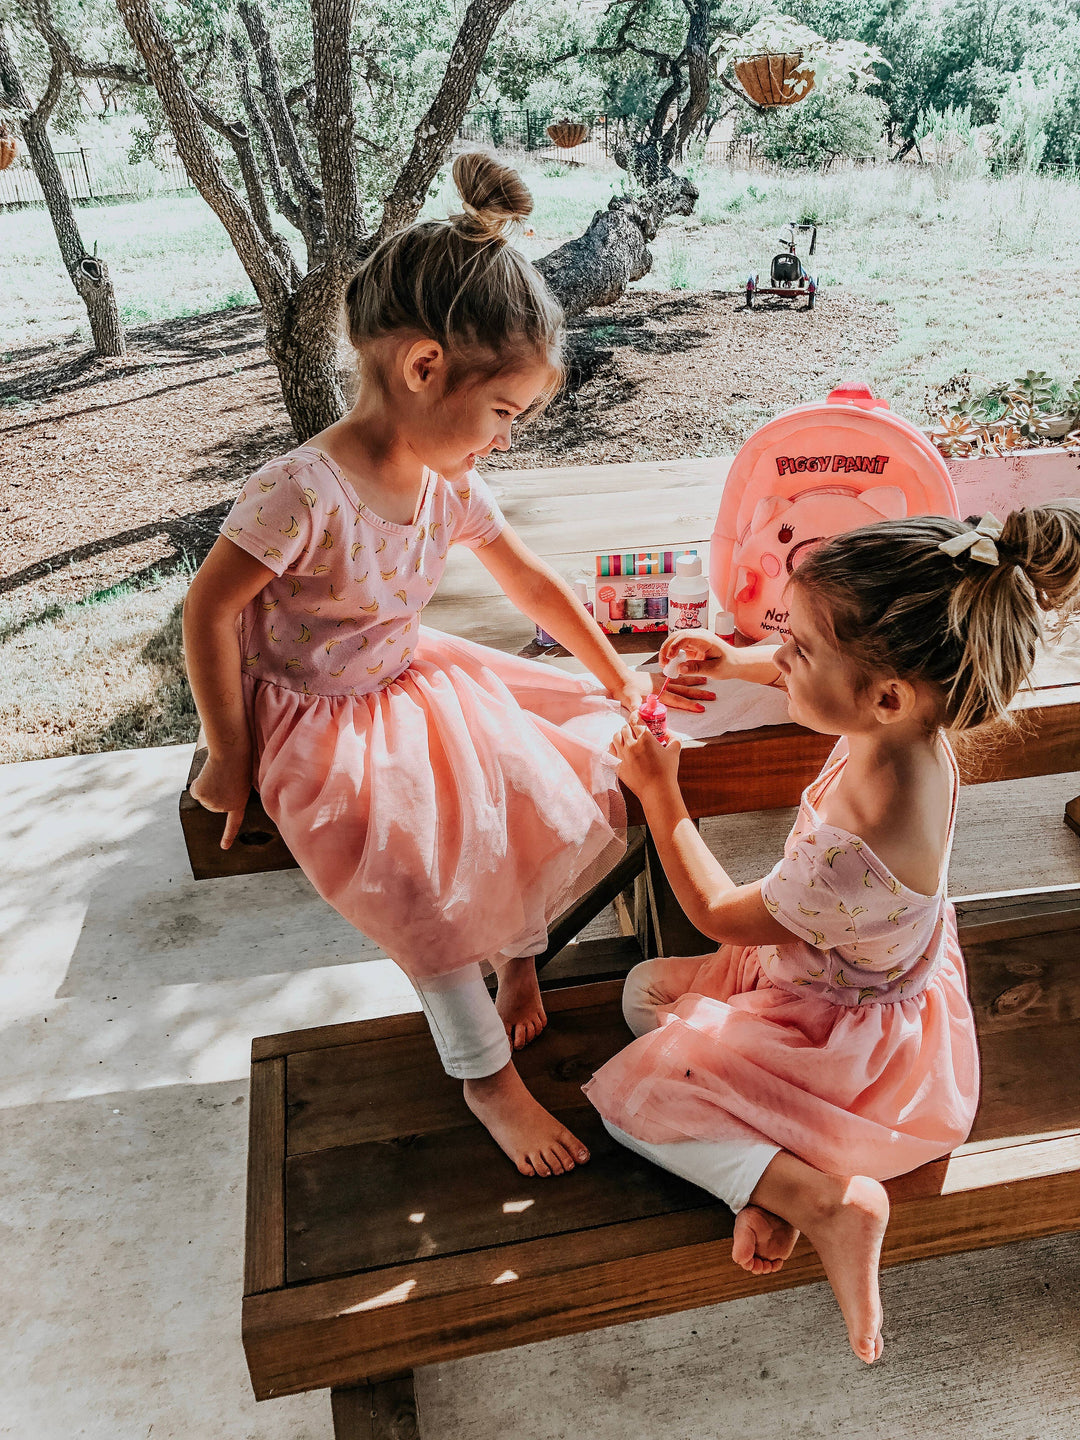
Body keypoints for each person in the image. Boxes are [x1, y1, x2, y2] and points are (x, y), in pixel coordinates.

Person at [182, 152, 708, 1181]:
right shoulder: (301, 490)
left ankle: (518, 960)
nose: (506, 439)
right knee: (415, 874)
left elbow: (535, 587)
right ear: (424, 368)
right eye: (504, 413)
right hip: (318, 717)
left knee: (553, 781)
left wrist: (618, 678)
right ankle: (481, 1076)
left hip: (415, 681)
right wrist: (227, 753)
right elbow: (209, 611)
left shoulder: (445, 479)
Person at [586, 504, 1080, 1363]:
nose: (782, 657)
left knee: (630, 1100)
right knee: (647, 996)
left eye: (796, 647)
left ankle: (823, 1203)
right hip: (843, 983)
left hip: (850, 1057)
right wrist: (739, 660)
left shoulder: (861, 846)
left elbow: (713, 912)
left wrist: (659, 794)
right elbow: (831, 683)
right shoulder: (907, 729)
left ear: (883, 693)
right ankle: (764, 1176)